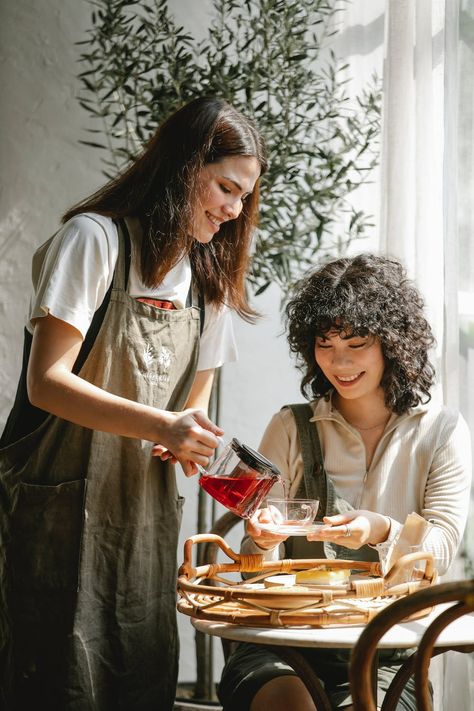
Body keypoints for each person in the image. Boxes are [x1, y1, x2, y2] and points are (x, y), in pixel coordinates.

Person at [0, 96, 266, 711]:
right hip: (55, 513)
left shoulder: (209, 283)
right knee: (53, 680)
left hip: (141, 519)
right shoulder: (93, 240)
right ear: (184, 165)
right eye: (226, 187)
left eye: (243, 199)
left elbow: (190, 410)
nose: (232, 211)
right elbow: (47, 381)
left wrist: (197, 445)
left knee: (138, 676)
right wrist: (165, 425)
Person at [218, 253, 472, 711]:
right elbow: (254, 568)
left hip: (388, 652)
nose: (339, 362)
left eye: (356, 343)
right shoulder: (291, 426)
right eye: (325, 343)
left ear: (392, 344)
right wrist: (262, 536)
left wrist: (382, 530)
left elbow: (441, 548)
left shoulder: (441, 432)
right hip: (284, 642)